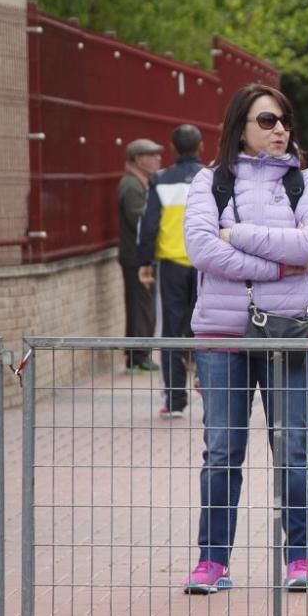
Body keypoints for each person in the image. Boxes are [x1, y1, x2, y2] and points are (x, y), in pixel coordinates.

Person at [181, 83, 308, 595]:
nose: (280, 130)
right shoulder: (210, 181)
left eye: (285, 120)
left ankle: (301, 559)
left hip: (290, 331)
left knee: (293, 447)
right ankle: (212, 562)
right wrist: (282, 266)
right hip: (222, 332)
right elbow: (201, 248)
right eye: (267, 121)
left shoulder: (305, 181)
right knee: (222, 450)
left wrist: (237, 236)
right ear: (240, 127)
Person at [137, 125, 204, 417]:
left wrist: (144, 262)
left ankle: (175, 400)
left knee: (171, 331)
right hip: (206, 264)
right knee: (208, 329)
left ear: (173, 149)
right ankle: (211, 387)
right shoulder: (211, 177)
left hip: (172, 267)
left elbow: (149, 225)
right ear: (201, 147)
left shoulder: (160, 180)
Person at [118, 138, 162, 372]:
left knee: (143, 305)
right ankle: (138, 355)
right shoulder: (132, 186)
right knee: (141, 306)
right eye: (152, 155)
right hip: (138, 259)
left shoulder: (141, 183)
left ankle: (138, 353)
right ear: (138, 159)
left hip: (141, 257)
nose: (158, 159)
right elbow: (140, 222)